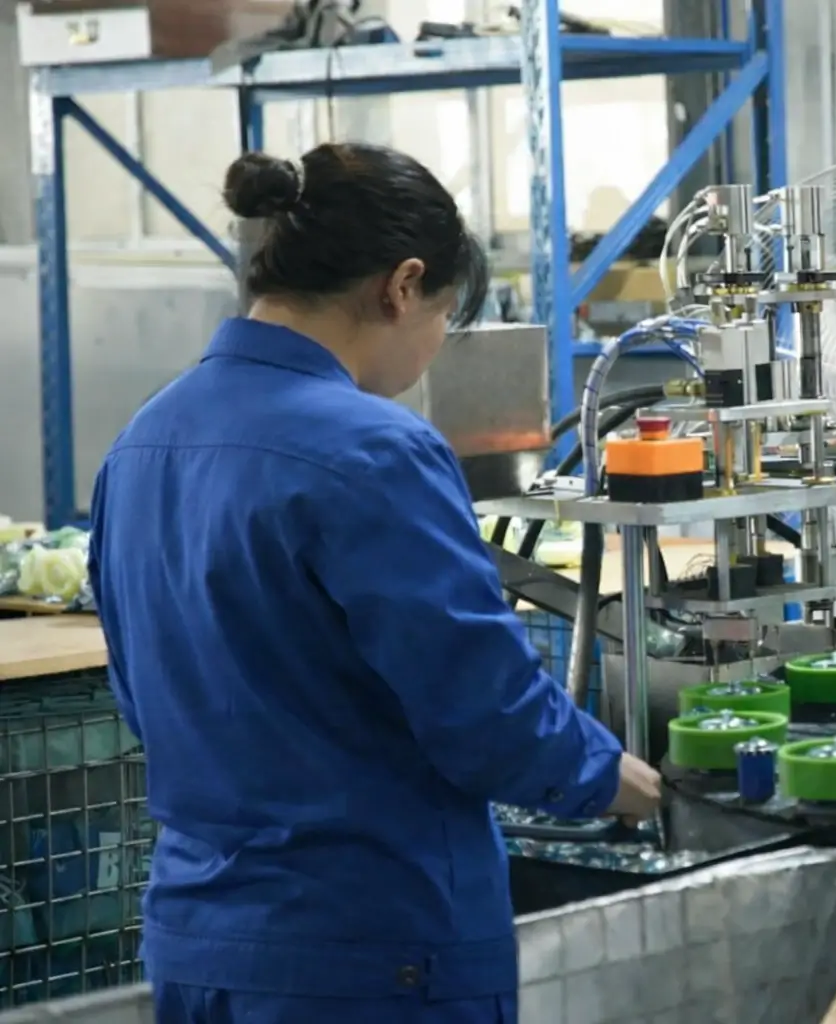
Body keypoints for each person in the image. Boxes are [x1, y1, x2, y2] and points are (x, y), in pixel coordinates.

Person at [87, 142, 662, 1023]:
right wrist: (624, 784)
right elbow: (483, 710)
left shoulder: (142, 442)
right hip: (369, 951)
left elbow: (143, 695)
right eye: (443, 317)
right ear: (401, 285)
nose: (434, 346)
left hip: (199, 941)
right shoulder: (372, 449)